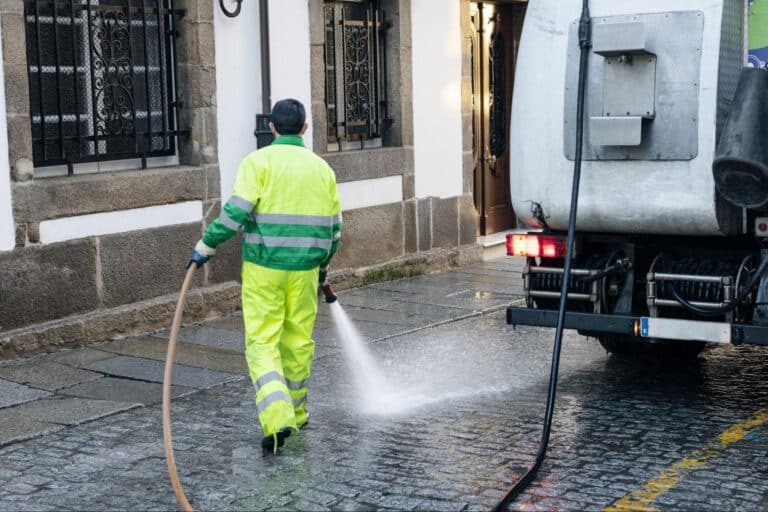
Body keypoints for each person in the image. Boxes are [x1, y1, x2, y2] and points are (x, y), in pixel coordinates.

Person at [187, 99, 342, 453]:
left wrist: (206, 245)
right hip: (304, 272)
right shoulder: (322, 170)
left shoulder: (257, 163)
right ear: (305, 128)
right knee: (298, 342)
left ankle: (277, 418)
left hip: (263, 270)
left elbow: (235, 214)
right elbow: (335, 229)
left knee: (262, 342)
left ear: (271, 127)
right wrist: (324, 268)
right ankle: (299, 413)